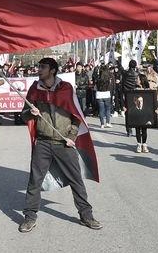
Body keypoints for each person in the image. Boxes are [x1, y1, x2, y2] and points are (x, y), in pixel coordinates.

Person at [19, 58, 101, 233]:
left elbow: (76, 116)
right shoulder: (34, 89)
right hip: (43, 142)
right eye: (39, 66)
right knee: (35, 181)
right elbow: (24, 116)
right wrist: (31, 113)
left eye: (43, 67)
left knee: (76, 180)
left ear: (53, 70)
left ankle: (86, 215)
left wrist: (72, 136)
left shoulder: (66, 88)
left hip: (64, 143)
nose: (39, 69)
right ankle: (30, 216)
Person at [93, 62, 114, 128]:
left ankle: (102, 124)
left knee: (101, 110)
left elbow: (95, 86)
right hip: (106, 94)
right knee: (107, 109)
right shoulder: (108, 78)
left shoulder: (98, 78)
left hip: (99, 94)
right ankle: (107, 122)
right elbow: (110, 86)